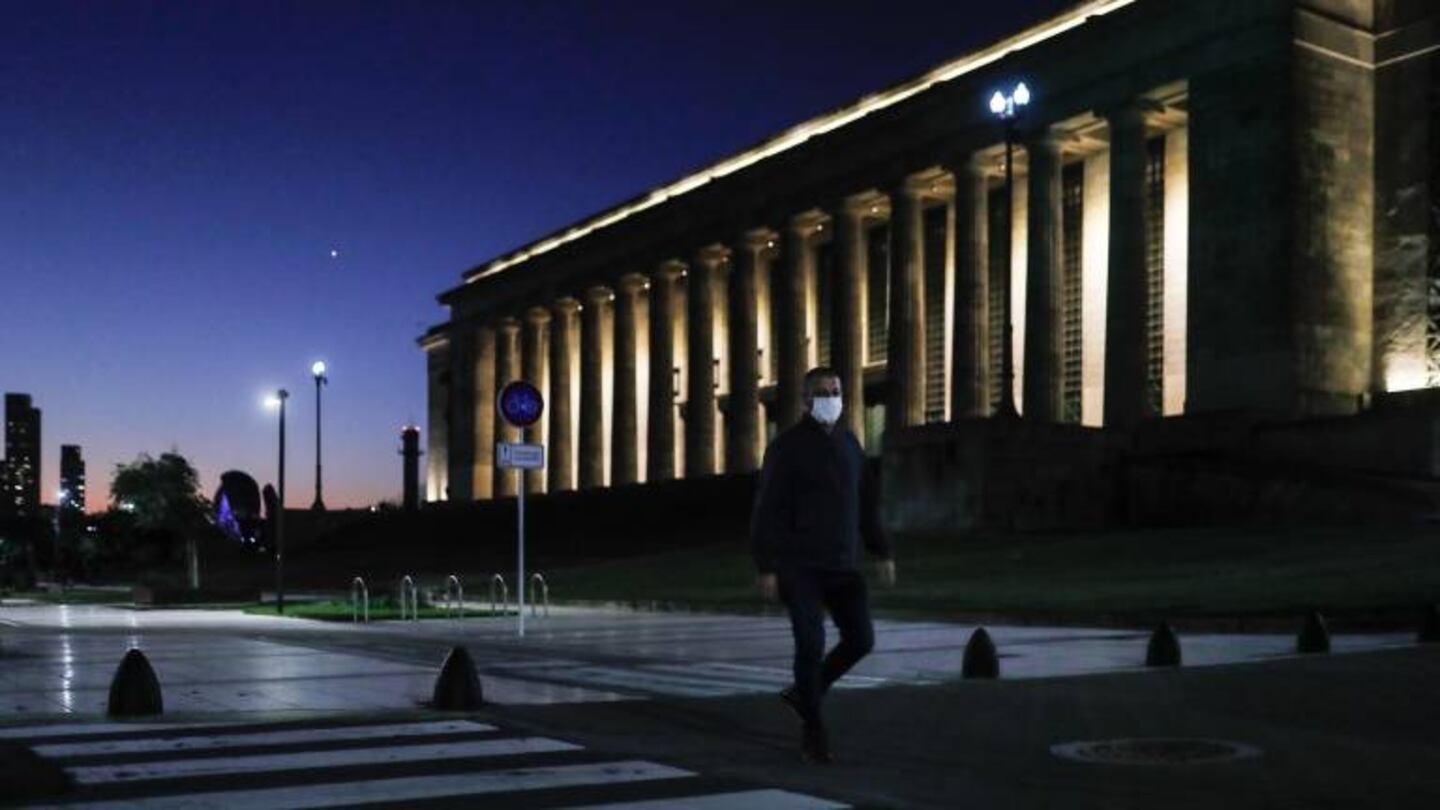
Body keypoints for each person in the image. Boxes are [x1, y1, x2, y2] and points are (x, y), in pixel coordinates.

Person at [750, 366, 896, 763]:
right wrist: (766, 565)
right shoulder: (786, 447)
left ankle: (805, 692)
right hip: (800, 567)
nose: (831, 397)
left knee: (861, 639)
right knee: (810, 645)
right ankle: (813, 729)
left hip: (843, 565)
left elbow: (866, 505)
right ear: (805, 400)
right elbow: (767, 510)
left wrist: (881, 551)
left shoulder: (850, 445)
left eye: (835, 390)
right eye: (822, 392)